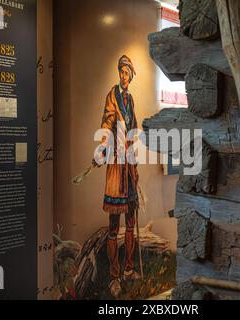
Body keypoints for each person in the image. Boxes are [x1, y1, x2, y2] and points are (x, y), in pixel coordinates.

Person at [93, 55, 141, 298]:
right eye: (121, 72)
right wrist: (102, 148)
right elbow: (107, 121)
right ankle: (114, 277)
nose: (123, 76)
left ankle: (129, 269)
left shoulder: (131, 99)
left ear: (131, 76)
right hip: (115, 166)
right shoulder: (112, 95)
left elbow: (134, 128)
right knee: (114, 225)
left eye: (127, 73)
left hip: (129, 166)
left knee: (131, 221)